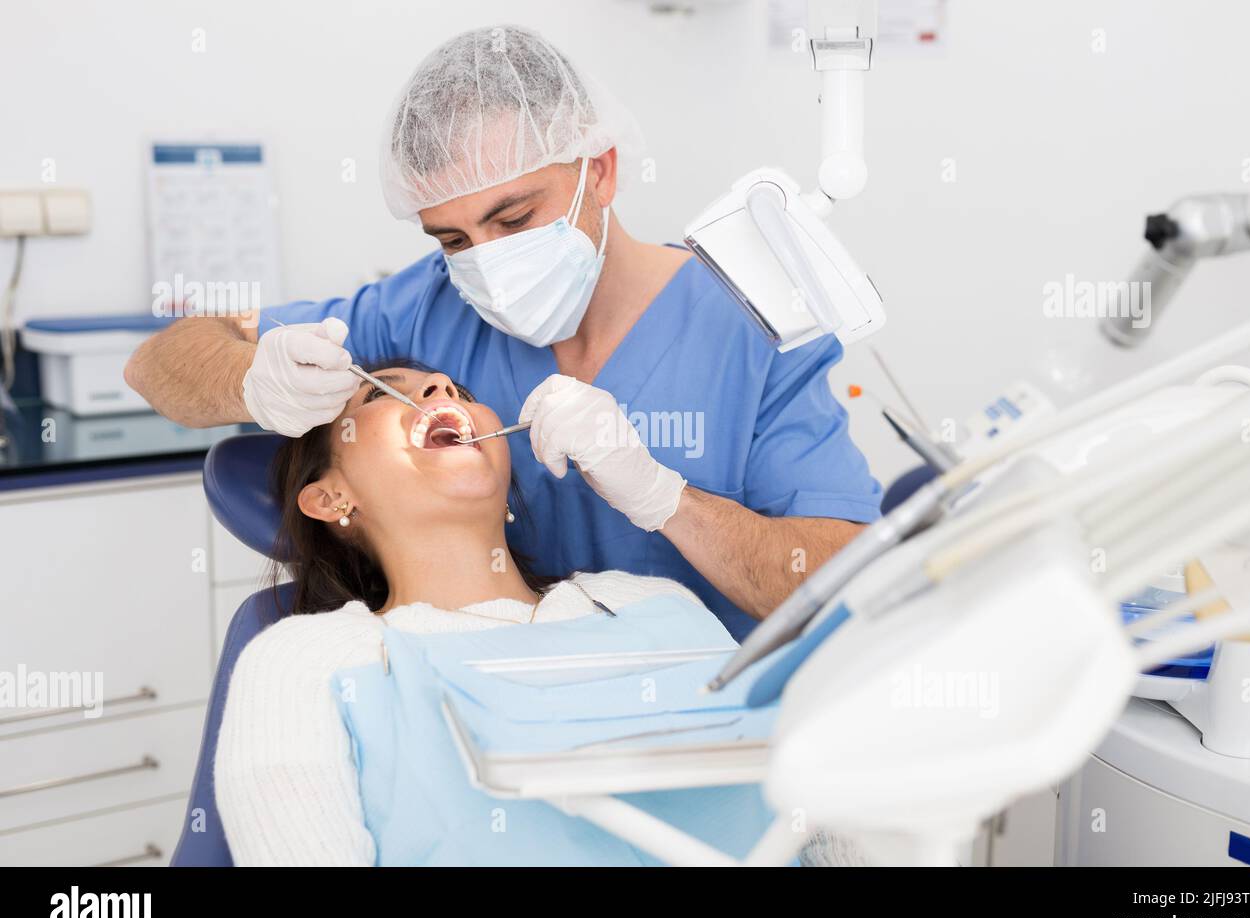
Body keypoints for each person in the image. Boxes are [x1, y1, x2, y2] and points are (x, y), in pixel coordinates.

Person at [125, 24, 884, 639]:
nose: (488, 262)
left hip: (710, 727)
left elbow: (844, 586)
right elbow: (157, 366)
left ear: (603, 172)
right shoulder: (419, 308)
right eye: (451, 239)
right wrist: (248, 379)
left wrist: (664, 499)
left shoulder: (753, 322)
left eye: (515, 218)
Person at [213, 364, 785, 865]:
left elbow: (816, 799)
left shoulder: (653, 603)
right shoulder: (307, 662)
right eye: (381, 394)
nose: (441, 387)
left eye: (459, 390)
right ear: (331, 498)